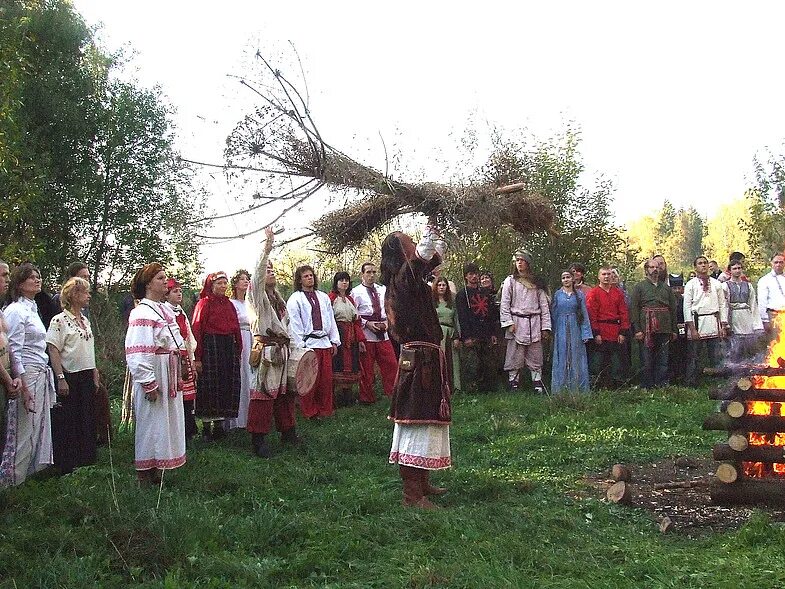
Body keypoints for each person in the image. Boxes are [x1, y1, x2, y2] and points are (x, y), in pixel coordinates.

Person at [384, 221, 450, 509]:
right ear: (399, 252)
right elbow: (421, 257)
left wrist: (442, 231)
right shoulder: (402, 281)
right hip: (418, 361)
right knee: (415, 423)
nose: (413, 243)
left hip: (428, 358)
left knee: (427, 420)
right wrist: (430, 229)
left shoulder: (410, 279)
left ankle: (421, 483)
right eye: (407, 240)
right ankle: (412, 495)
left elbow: (433, 258)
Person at [125, 263, 186, 484]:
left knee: (164, 421)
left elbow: (176, 340)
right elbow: (138, 349)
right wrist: (148, 382)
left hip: (167, 369)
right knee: (151, 420)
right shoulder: (141, 311)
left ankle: (159, 467)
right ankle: (145, 471)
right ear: (149, 283)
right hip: (156, 370)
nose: (165, 281)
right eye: (160, 278)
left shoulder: (163, 309)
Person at [246, 228, 300, 458]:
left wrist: (297, 348)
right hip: (266, 351)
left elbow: (289, 327)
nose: (271, 273)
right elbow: (257, 275)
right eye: (268, 270)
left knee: (285, 394)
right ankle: (258, 440)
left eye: (273, 270)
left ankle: (288, 432)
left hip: (282, 350)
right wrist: (266, 249)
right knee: (263, 394)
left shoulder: (279, 299)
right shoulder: (257, 297)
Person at [1, 263, 55, 486]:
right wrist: (21, 381)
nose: (37, 280)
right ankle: (12, 479)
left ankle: (28, 476)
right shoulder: (15, 310)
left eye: (39, 276)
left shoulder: (33, 309)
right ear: (20, 283)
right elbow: (13, 349)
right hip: (27, 373)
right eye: (32, 277)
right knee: (23, 427)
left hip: (39, 371)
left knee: (36, 426)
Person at [45, 277, 98, 474]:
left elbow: (88, 348)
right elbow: (53, 348)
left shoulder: (85, 320)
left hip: (86, 374)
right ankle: (68, 462)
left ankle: (86, 460)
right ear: (74, 295)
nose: (88, 296)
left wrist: (94, 371)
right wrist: (60, 378)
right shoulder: (59, 320)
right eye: (85, 292)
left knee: (87, 416)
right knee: (70, 419)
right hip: (69, 375)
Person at [191, 271, 242, 441]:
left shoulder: (228, 304)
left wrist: (238, 350)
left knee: (224, 385)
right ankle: (206, 428)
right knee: (209, 386)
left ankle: (219, 426)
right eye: (219, 283)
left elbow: (235, 329)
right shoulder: (204, 304)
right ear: (211, 286)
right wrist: (197, 357)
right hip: (210, 348)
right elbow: (197, 331)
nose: (223, 286)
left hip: (227, 348)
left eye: (224, 283)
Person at [287, 265, 340, 419]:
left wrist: (334, 341)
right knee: (309, 380)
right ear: (299, 280)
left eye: (311, 275)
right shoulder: (295, 299)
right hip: (308, 344)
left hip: (324, 342)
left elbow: (331, 320)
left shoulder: (323, 297)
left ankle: (325, 410)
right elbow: (295, 324)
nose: (309, 278)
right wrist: (301, 346)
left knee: (325, 380)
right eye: (305, 276)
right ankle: (309, 412)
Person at [499, 251, 551, 393]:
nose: (520, 263)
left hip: (534, 322)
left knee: (535, 354)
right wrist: (509, 323)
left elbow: (544, 306)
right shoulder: (510, 281)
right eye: (517, 261)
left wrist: (545, 327)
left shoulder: (536, 282)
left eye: (522, 260)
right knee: (515, 354)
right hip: (516, 322)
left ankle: (537, 383)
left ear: (528, 263)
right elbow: (505, 304)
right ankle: (513, 383)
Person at [350, 262, 398, 404]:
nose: (371, 275)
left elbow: (389, 308)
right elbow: (354, 314)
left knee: (391, 364)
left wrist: (388, 323)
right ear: (362, 274)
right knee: (367, 368)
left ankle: (392, 393)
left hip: (383, 331)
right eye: (368, 272)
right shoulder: (356, 292)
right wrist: (367, 324)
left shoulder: (382, 289)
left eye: (373, 272)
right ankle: (367, 397)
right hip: (367, 334)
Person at [629, 259, 677, 389]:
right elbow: (634, 309)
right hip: (646, 328)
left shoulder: (666, 288)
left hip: (664, 327)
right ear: (646, 270)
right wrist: (637, 329)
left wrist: (673, 330)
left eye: (657, 267)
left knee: (663, 358)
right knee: (646, 358)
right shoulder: (639, 287)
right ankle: (647, 385)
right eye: (651, 267)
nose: (655, 269)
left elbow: (673, 309)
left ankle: (661, 384)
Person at [683, 256, 728, 386]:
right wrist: (692, 328)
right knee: (693, 356)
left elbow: (722, 305)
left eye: (705, 263)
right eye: (700, 263)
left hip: (714, 321)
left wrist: (723, 325)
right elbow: (687, 306)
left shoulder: (717, 284)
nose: (703, 265)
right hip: (697, 322)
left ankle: (717, 382)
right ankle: (691, 382)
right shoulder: (691, 285)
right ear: (695, 267)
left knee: (715, 356)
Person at [456, 262, 498, 392]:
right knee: (472, 365)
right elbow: (462, 317)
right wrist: (466, 336)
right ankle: (471, 390)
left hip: (485, 332)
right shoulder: (462, 295)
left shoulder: (485, 293)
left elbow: (490, 315)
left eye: (475, 274)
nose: (474, 276)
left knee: (488, 363)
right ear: (466, 277)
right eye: (470, 274)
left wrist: (493, 333)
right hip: (471, 335)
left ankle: (488, 390)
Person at [164, 278, 198, 440]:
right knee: (177, 394)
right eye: (175, 291)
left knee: (188, 397)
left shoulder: (181, 311)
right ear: (167, 294)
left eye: (180, 291)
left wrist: (191, 357)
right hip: (174, 356)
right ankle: (175, 431)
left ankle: (188, 429)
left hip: (185, 355)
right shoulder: (165, 311)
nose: (179, 294)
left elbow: (189, 336)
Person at [586, 266, 630, 388]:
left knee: (617, 362)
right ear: (599, 277)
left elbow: (624, 313)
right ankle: (596, 385)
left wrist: (623, 332)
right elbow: (592, 314)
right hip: (601, 330)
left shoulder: (618, 293)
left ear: (612, 276)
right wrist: (596, 333)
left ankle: (618, 385)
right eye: (604, 274)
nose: (606, 277)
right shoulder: (593, 293)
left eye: (608, 274)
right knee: (597, 362)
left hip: (615, 332)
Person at [550, 270, 593, 393]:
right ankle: (561, 389)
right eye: (563, 278)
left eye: (568, 277)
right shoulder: (557, 295)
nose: (566, 280)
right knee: (562, 355)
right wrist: (553, 330)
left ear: (572, 279)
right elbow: (554, 313)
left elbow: (584, 314)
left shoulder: (579, 295)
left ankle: (577, 388)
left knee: (576, 356)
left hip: (575, 327)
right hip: (561, 328)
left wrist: (586, 333)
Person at [329, 271, 366, 408]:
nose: (344, 283)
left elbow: (356, 321)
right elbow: (329, 319)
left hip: (351, 336)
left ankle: (347, 397)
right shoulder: (331, 298)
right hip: (338, 335)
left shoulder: (350, 299)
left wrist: (360, 340)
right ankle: (333, 399)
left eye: (346, 280)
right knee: (337, 365)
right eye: (341, 280)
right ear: (336, 283)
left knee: (351, 365)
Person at [0, 260, 22, 462]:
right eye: (3, 275)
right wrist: (8, 380)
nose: (8, 279)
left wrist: (15, 375)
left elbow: (10, 345)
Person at [226, 269, 252, 430]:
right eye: (242, 279)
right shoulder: (231, 304)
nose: (245, 281)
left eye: (247, 279)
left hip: (253, 338)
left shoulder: (251, 302)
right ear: (235, 284)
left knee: (252, 376)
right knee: (241, 376)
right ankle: (238, 420)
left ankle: (253, 416)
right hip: (239, 339)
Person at [726, 260, 763, 362]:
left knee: (750, 346)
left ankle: (751, 370)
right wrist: (725, 324)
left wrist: (757, 325)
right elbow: (724, 305)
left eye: (739, 268)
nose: (737, 271)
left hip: (746, 317)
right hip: (733, 316)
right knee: (735, 347)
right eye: (734, 268)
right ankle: (735, 371)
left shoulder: (748, 286)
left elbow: (753, 305)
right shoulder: (725, 286)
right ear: (730, 271)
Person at [433, 276, 461, 392]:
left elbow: (456, 320)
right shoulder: (432, 303)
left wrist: (457, 336)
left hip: (451, 333)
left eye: (444, 285)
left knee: (452, 360)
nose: (441, 287)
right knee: (439, 360)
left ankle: (454, 386)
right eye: (439, 285)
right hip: (438, 334)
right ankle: (440, 386)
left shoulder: (451, 302)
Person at [757, 252, 785, 335]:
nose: (778, 264)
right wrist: (765, 320)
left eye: (781, 262)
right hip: (774, 315)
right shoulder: (765, 280)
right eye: (776, 262)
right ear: (771, 263)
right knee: (777, 343)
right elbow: (762, 302)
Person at [667, 274, 688, 383]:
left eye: (679, 288)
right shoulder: (668, 301)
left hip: (684, 330)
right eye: (674, 288)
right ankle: (672, 376)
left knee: (684, 353)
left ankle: (682, 375)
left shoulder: (685, 301)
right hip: (671, 330)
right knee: (672, 354)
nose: (677, 291)